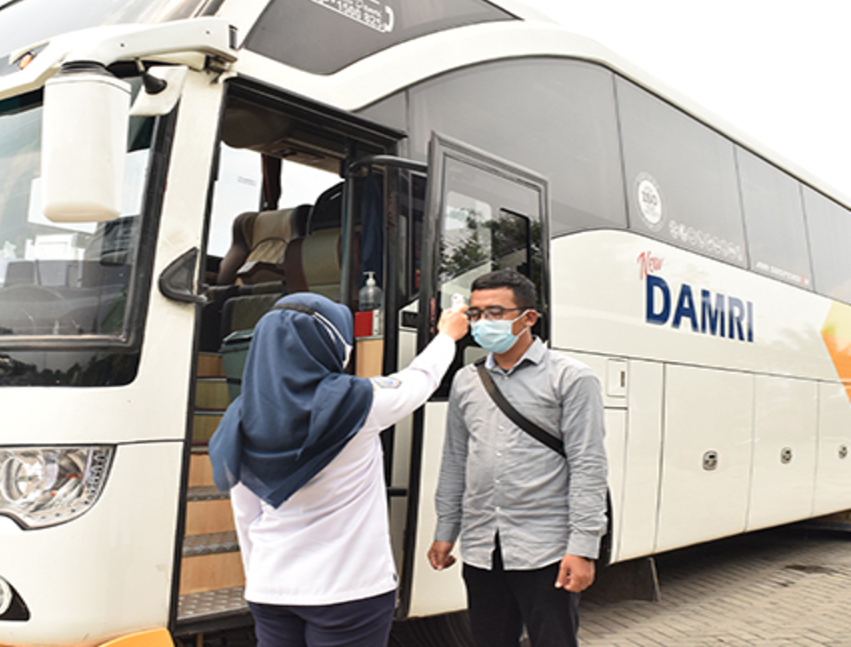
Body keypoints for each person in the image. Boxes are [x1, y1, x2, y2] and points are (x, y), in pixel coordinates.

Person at [209, 291, 469, 647]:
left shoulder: (240, 416)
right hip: (350, 591)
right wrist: (447, 335)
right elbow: (421, 378)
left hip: (270, 589)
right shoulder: (359, 401)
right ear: (329, 344)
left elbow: (245, 513)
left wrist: (260, 578)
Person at [427, 269, 607, 647]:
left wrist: (583, 548)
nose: (483, 322)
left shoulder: (572, 378)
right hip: (482, 545)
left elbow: (588, 465)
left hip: (546, 547)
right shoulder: (466, 380)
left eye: (495, 312)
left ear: (528, 318)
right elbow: (456, 459)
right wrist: (446, 531)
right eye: (476, 313)